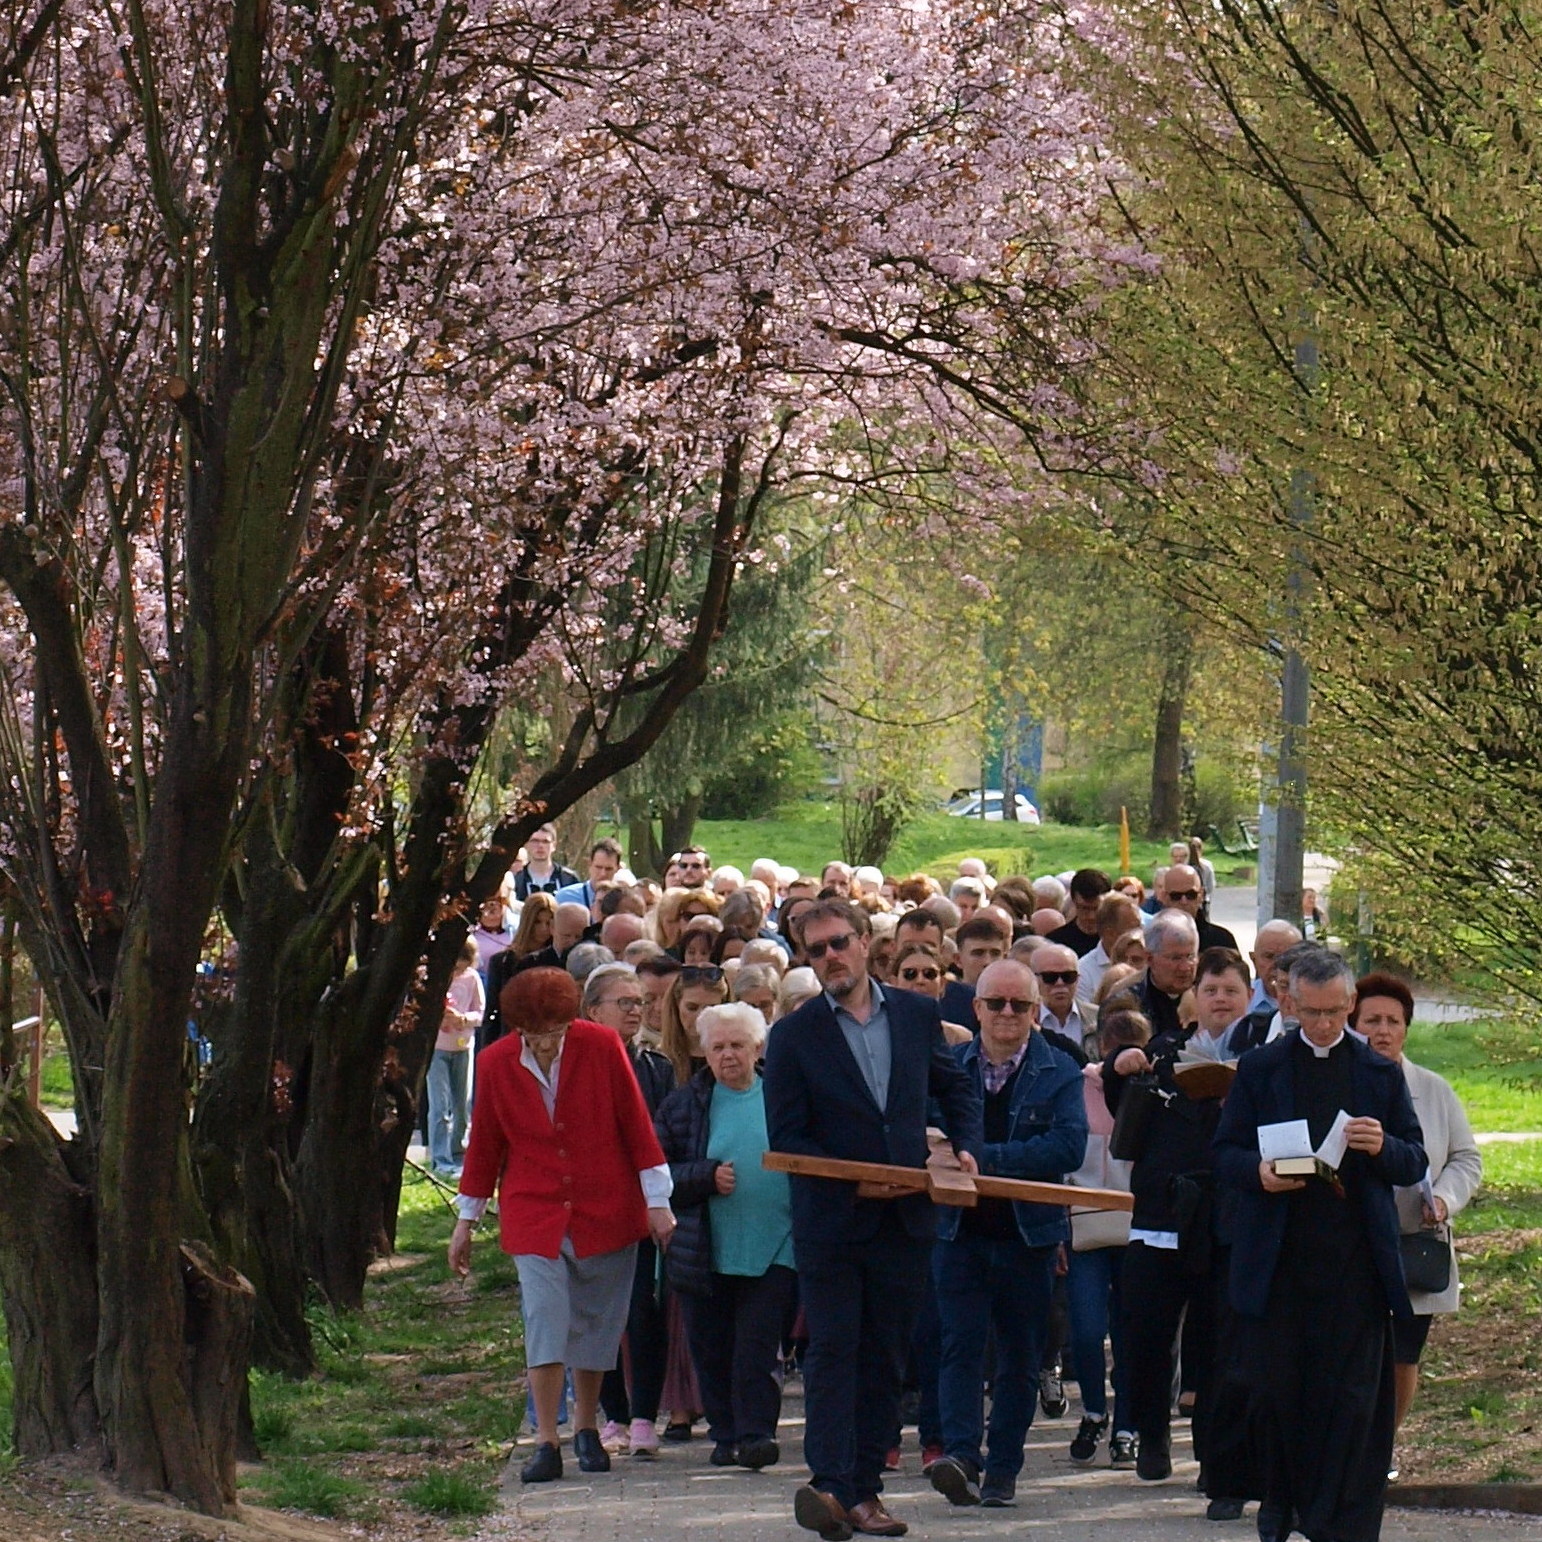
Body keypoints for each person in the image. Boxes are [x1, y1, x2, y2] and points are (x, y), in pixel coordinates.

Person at [764, 899, 983, 1541]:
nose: (831, 957)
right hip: (832, 1222)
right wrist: (858, 1178)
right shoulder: (793, 1035)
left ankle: (863, 1490)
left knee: (885, 1356)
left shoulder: (916, 1014)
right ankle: (832, 1487)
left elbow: (954, 1087)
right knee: (834, 1351)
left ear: (866, 943)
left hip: (905, 1220)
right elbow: (788, 1137)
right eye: (817, 950)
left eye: (839, 943)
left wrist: (965, 1146)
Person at [1212, 950, 1426, 1542]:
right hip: (1281, 1263)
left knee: (1352, 1402)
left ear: (1350, 1004)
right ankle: (1282, 1504)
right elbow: (1224, 1153)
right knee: (1279, 1396)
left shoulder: (1379, 1072)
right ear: (1289, 1003)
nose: (1326, 1024)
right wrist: (1259, 1173)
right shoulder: (1261, 1068)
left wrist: (1381, 1145)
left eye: (1336, 1012)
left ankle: (1343, 1522)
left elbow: (1413, 1160)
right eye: (1313, 1013)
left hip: (1354, 1267)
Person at [449, 968, 676, 1483]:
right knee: (545, 1318)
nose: (546, 1044)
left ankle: (586, 1427)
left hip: (606, 1206)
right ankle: (546, 1440)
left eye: (554, 1033)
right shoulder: (495, 1062)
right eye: (535, 1036)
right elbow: (485, 1143)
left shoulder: (601, 1046)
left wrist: (657, 1200)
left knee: (596, 1322)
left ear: (571, 1022)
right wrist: (466, 1219)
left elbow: (636, 1124)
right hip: (535, 1210)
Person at [927, 959, 1087, 1510]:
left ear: (1035, 1011)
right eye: (996, 1003)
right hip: (959, 1231)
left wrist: (981, 1158)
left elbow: (1067, 1147)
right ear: (976, 1009)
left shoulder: (1060, 1068)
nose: (1007, 1013)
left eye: (1019, 1004)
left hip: (1029, 1236)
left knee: (1019, 1358)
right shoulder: (949, 1067)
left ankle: (1002, 1470)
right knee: (960, 1347)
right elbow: (926, 1131)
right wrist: (952, 1154)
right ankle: (961, 1456)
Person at [1101, 945, 1242, 1487]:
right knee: (1146, 1336)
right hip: (1161, 1214)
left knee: (1216, 1343)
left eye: (1231, 990)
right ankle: (1152, 1438)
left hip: (1224, 1221)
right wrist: (1118, 1069)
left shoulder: (1263, 1057)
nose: (1220, 999)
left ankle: (1214, 1457)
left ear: (1248, 996)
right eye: (1211, 990)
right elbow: (1125, 1119)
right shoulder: (1163, 1050)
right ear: (1195, 997)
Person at [654, 1003, 797, 1470]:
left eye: (737, 1045)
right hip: (706, 1247)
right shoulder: (684, 1105)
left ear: (758, 1048)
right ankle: (725, 1432)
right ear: (704, 1051)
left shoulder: (784, 1096)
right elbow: (658, 1173)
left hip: (776, 1242)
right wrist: (706, 1176)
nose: (728, 1055)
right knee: (711, 1346)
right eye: (718, 1047)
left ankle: (756, 1435)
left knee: (758, 1346)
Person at [1349, 973, 1481, 1435]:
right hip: (1351, 1247)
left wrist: (1443, 1199)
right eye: (1372, 1020)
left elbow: (1466, 1158)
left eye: (1393, 1021)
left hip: (1414, 1246)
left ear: (1407, 1028)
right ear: (1352, 1024)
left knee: (1403, 1355)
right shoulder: (1341, 1083)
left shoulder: (1434, 1089)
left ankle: (1383, 1446)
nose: (1383, 1031)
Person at [584, 965, 675, 1458]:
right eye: (624, 1002)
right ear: (593, 1010)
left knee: (643, 1310)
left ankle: (643, 1416)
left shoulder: (656, 1067)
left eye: (640, 1001)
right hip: (592, 1206)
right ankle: (612, 1415)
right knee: (598, 1313)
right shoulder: (576, 1066)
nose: (636, 1010)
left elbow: (663, 1134)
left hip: (641, 1205)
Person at [1065, 1009, 1145, 1471]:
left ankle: (1127, 1427)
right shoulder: (1078, 1089)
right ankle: (1095, 1411)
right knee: (1087, 1327)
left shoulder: (1153, 1092)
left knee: (1131, 1332)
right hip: (1086, 1228)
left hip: (1136, 1229)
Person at [429, 938, 485, 1175]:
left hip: (463, 1047)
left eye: (462, 966)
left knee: (462, 1105)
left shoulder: (472, 978)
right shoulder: (434, 977)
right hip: (437, 1049)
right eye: (455, 966)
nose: (458, 971)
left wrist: (463, 1019)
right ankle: (440, 1159)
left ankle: (458, 1153)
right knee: (440, 1106)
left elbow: (480, 1012)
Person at [659, 964, 730, 1087]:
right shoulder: (658, 1060)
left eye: (710, 1009)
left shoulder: (736, 1058)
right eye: (692, 1008)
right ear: (677, 1006)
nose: (700, 1016)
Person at [1134, 910, 1200, 1040]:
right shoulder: (1128, 1004)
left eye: (1190, 957)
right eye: (1176, 958)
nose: (1185, 967)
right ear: (1150, 959)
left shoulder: (1209, 998)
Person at [1077, 892, 1143, 1005]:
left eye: (1140, 926)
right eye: (1134, 928)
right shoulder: (1084, 973)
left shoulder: (1150, 961)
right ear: (1110, 933)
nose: (1141, 932)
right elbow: (1087, 1014)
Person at [1031, 944, 1096, 1059]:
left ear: (1078, 979)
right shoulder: (1025, 1021)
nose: (1060, 983)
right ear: (1034, 979)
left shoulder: (1099, 1018)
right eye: (1050, 977)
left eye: (1068, 976)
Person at [1161, 863, 1238, 951]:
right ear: (1165, 897)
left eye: (1191, 895)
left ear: (1201, 895)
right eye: (1176, 896)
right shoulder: (1152, 939)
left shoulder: (1222, 941)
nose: (1184, 901)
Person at [1049, 869, 1113, 958]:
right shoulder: (1056, 943)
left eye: (1097, 908)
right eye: (1084, 908)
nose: (1091, 916)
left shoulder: (1119, 940)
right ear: (1073, 901)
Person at [555, 837, 625, 912]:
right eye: (598, 867)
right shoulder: (565, 897)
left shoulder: (623, 901)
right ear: (589, 864)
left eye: (609, 869)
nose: (603, 874)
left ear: (618, 868)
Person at [514, 823, 579, 900]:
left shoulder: (569, 879)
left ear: (554, 845)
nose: (540, 845)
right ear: (526, 844)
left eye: (545, 841)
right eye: (535, 841)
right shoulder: (516, 880)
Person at [471, 895, 514, 975]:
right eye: (486, 902)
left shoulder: (516, 931)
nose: (492, 905)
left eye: (497, 900)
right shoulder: (470, 935)